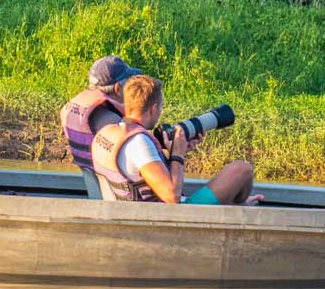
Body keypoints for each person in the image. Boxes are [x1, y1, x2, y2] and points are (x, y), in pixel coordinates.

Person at [91, 75, 258, 205]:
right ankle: (237, 213)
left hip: (132, 214)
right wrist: (178, 155)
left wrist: (173, 154)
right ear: (154, 108)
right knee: (241, 170)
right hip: (164, 220)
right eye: (161, 107)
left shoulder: (109, 132)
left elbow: (140, 175)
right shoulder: (138, 143)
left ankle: (232, 209)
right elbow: (171, 197)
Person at [59, 56, 137, 173]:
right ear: (118, 88)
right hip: (112, 186)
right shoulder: (112, 122)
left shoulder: (75, 107)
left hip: (92, 180)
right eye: (128, 83)